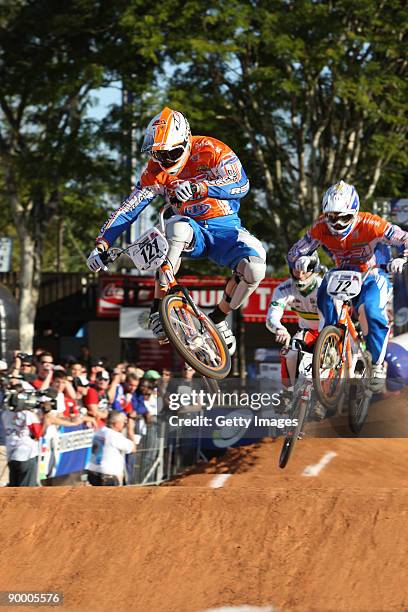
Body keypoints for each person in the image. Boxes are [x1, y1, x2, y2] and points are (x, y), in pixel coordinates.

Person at [87, 106, 266, 355]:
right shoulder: (155, 170)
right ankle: (159, 305)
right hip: (191, 231)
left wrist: (200, 188)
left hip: (226, 227)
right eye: (160, 155)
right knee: (177, 227)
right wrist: (102, 244)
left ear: (186, 140)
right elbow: (130, 208)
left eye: (173, 153)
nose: (167, 160)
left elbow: (241, 185)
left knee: (256, 268)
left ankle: (219, 317)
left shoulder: (212, 149)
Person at [288, 180, 408, 390]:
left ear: (355, 211)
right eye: (332, 217)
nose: (338, 223)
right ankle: (330, 344)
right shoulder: (319, 227)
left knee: (370, 311)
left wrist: (403, 258)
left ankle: (378, 365)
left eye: (344, 217)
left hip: (372, 273)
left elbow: (405, 238)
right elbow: (294, 252)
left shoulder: (371, 223)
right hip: (342, 273)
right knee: (324, 290)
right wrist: (303, 260)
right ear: (325, 214)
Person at [266, 253, 322, 388]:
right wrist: (279, 328)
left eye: (305, 271)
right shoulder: (283, 289)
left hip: (330, 332)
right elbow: (271, 317)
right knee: (290, 350)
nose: (300, 276)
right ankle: (288, 391)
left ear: (313, 271)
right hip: (308, 332)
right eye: (297, 271)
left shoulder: (323, 287)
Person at [87, 411, 136, 486]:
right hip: (107, 477)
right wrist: (130, 430)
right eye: (123, 422)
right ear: (116, 424)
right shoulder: (114, 436)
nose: (125, 424)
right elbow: (133, 449)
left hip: (93, 473)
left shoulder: (99, 431)